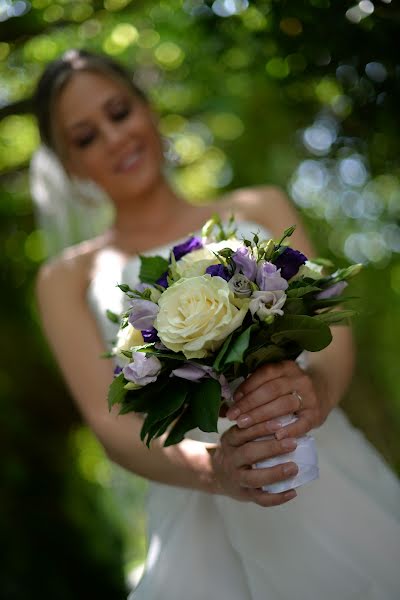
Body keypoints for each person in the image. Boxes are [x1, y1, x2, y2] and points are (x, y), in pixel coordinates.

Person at [33, 50, 400, 599]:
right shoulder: (65, 279)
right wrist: (215, 471)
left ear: (148, 109)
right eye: (85, 137)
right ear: (70, 166)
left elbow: (332, 332)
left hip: (318, 453)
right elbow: (109, 423)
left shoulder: (263, 206)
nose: (113, 138)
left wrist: (315, 390)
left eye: (119, 112)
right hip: (194, 498)